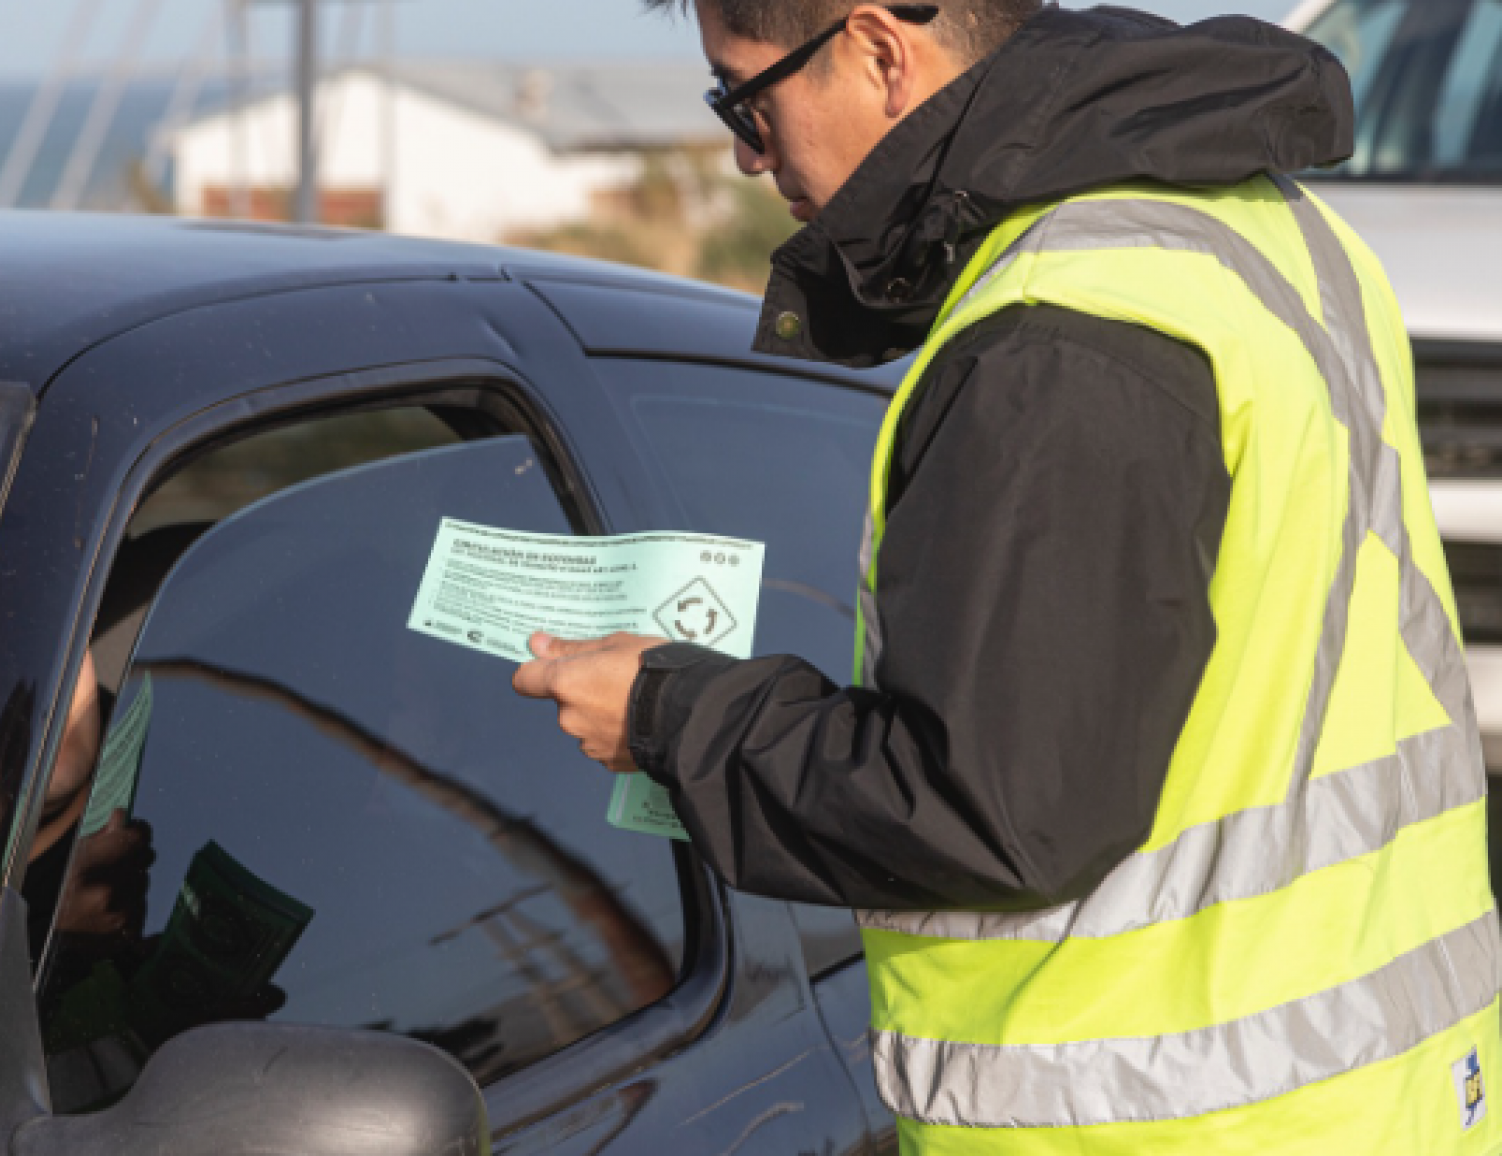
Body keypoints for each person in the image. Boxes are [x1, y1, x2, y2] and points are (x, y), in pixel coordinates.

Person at [512, 1, 1498, 1152]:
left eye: (746, 100)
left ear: (878, 52)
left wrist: (667, 713)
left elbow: (992, 810)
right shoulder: (1255, 226)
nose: (744, 151)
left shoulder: (1059, 335)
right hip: (1382, 1089)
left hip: (1171, 1123)